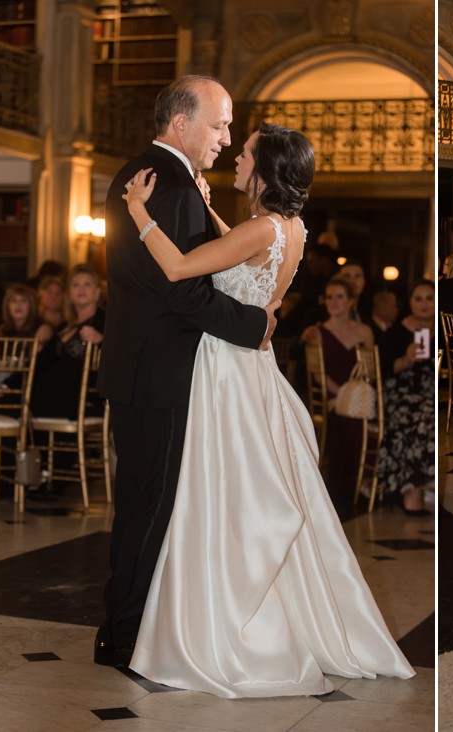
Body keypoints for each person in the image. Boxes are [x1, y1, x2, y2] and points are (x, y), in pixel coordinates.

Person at [122, 121, 412, 696]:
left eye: (246, 152)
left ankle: (226, 626)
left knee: (221, 494)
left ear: (265, 167)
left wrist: (137, 211)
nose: (234, 154)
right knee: (238, 490)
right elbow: (246, 260)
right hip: (252, 369)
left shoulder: (261, 228)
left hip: (227, 371)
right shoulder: (291, 228)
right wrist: (214, 216)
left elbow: (180, 268)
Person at [95, 75, 275, 670]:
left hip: (144, 366)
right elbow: (183, 293)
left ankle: (128, 629)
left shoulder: (144, 176)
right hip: (160, 372)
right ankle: (125, 638)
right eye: (220, 124)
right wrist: (254, 325)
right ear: (182, 124)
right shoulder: (166, 183)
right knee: (150, 508)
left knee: (146, 504)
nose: (226, 138)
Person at [301, 277, 375, 512]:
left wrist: (356, 394)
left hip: (360, 397)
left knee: (366, 415)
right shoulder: (317, 333)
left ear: (351, 301)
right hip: (332, 398)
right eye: (330, 297)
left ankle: (365, 485)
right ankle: (343, 491)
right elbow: (318, 376)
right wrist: (343, 394)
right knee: (349, 420)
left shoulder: (364, 331)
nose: (333, 302)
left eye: (339, 297)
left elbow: (370, 372)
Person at [376, 280, 435, 514]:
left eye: (429, 298)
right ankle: (413, 491)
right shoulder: (396, 332)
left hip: (431, 391)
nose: (423, 304)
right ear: (409, 303)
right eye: (417, 299)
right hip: (402, 392)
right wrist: (407, 359)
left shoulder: (441, 326)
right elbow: (383, 370)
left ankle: (418, 488)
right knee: (421, 419)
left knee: (428, 415)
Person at [31, 265, 106, 420]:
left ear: (97, 292)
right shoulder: (65, 325)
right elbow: (41, 362)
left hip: (84, 397)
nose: (81, 289)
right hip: (55, 393)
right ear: (70, 294)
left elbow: (121, 357)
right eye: (76, 284)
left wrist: (101, 340)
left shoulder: (105, 320)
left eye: (87, 284)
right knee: (15, 399)